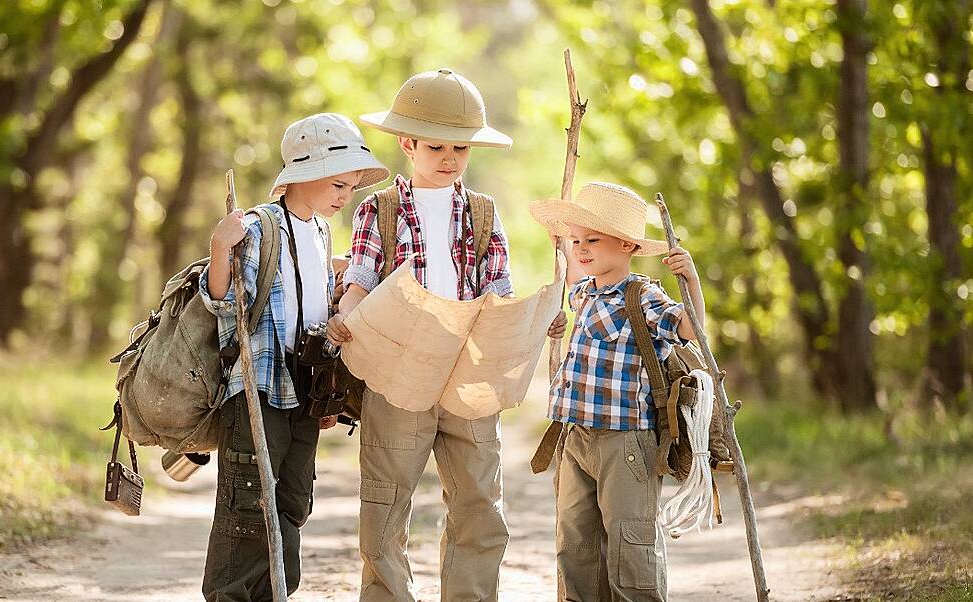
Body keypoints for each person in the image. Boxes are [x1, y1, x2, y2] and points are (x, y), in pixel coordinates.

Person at [327, 68, 565, 602]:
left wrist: (534, 320)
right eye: (436, 146)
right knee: (386, 503)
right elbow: (361, 281)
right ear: (407, 144)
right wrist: (346, 314)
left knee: (479, 504)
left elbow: (497, 292)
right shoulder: (378, 209)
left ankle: (471, 596)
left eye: (462, 148)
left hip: (468, 374)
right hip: (399, 370)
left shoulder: (482, 213)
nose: (450, 158)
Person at [199, 113, 388, 601]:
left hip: (303, 390)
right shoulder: (259, 226)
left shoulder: (322, 233)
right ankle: (230, 594)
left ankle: (276, 593)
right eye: (339, 183)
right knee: (247, 504)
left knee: (291, 499)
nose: (346, 196)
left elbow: (317, 311)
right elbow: (222, 302)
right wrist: (221, 248)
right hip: (259, 388)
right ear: (304, 175)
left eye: (351, 186)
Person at [529, 181, 706, 601]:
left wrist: (692, 281)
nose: (581, 248)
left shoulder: (643, 296)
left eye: (592, 239)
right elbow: (571, 277)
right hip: (576, 437)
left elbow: (690, 329)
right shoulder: (583, 292)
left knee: (631, 541)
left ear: (626, 245)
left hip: (624, 441)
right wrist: (560, 246)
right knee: (576, 541)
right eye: (576, 241)